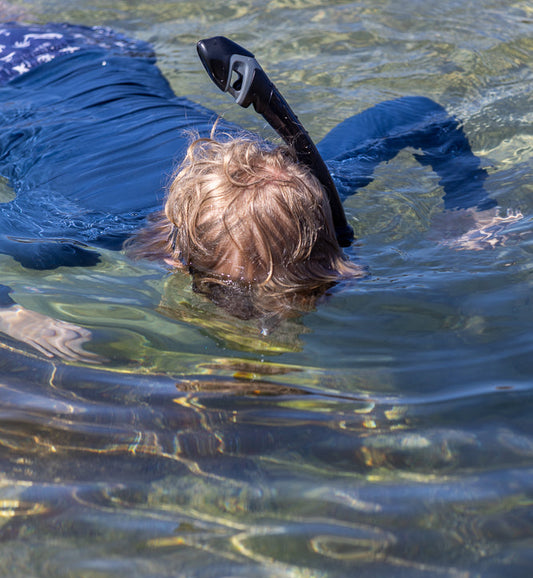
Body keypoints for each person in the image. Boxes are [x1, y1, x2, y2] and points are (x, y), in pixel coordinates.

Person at [0, 22, 519, 359]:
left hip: (105, 53)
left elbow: (415, 113)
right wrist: (13, 313)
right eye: (239, 293)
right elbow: (414, 111)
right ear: (180, 257)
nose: (267, 316)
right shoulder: (62, 235)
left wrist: (469, 204)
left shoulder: (321, 178)